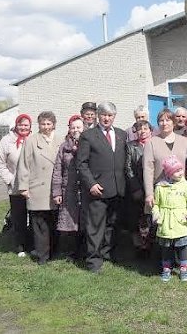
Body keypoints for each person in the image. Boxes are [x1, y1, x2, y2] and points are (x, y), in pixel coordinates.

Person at [76, 102, 127, 273]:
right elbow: (81, 164)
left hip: (117, 189)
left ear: (114, 116)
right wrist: (91, 183)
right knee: (96, 227)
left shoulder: (121, 134)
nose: (107, 118)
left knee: (112, 225)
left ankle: (108, 253)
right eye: (104, 114)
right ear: (98, 115)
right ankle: (93, 261)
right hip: (98, 190)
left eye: (110, 115)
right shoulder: (88, 135)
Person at [16, 111, 60, 265]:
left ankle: (53, 251)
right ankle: (42, 255)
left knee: (54, 222)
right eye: (43, 124)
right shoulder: (31, 141)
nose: (46, 127)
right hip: (37, 188)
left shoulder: (60, 140)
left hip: (55, 189)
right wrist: (23, 187)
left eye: (49, 124)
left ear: (54, 124)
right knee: (39, 223)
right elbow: (23, 165)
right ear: (39, 125)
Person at [153, 155, 187, 282]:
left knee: (182, 247)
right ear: (169, 173)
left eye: (180, 170)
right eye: (176, 171)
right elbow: (156, 204)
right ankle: (166, 269)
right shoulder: (160, 187)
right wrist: (157, 215)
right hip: (165, 222)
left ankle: (183, 270)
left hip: (180, 221)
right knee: (166, 248)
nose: (180, 173)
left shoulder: (186, 186)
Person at [0, 113, 33, 257]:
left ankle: (34, 243)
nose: (23, 127)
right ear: (16, 125)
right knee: (19, 217)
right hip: (16, 187)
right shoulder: (7, 141)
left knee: (35, 216)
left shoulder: (34, 139)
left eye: (26, 125)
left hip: (33, 186)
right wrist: (11, 179)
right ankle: (20, 245)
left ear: (30, 127)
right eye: (20, 124)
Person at [143, 108, 187, 210]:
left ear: (173, 123)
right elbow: (148, 170)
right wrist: (149, 194)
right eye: (161, 121)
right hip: (161, 192)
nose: (164, 123)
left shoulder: (185, 142)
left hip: (181, 192)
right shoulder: (151, 143)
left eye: (168, 120)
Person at [51, 115, 85, 259]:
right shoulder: (64, 147)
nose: (75, 130)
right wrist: (57, 191)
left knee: (84, 220)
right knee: (70, 221)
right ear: (69, 129)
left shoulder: (89, 143)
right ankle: (72, 250)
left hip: (84, 188)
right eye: (73, 127)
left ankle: (85, 250)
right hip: (69, 188)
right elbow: (58, 170)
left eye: (78, 127)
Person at [124, 119, 152, 254]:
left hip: (153, 187)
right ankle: (139, 247)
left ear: (150, 130)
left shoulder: (155, 144)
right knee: (137, 218)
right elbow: (128, 168)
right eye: (140, 129)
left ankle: (151, 245)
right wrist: (136, 188)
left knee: (151, 218)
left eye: (145, 128)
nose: (143, 132)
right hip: (137, 188)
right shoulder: (130, 146)